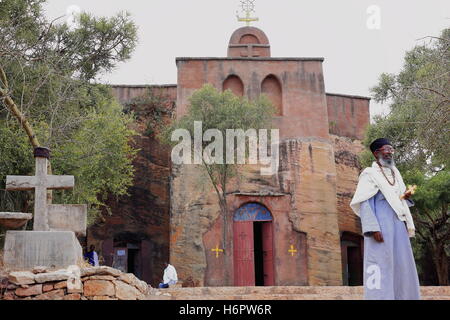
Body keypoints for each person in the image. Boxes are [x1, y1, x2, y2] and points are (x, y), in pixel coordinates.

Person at [350, 138, 421, 300]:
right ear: (376, 153)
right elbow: (364, 203)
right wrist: (373, 228)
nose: (390, 152)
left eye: (391, 149)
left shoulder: (396, 173)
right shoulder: (369, 174)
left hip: (398, 224)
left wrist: (406, 195)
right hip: (380, 227)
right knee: (381, 263)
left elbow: (398, 199)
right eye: (386, 149)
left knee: (402, 264)